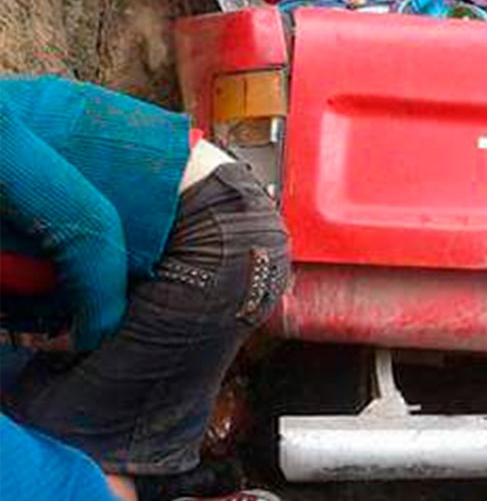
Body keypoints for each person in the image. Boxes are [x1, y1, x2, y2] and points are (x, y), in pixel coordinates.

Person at [0, 76, 291, 501]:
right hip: (204, 244)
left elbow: (93, 237)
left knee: (48, 446)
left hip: (210, 241)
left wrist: (81, 337)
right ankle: (197, 483)